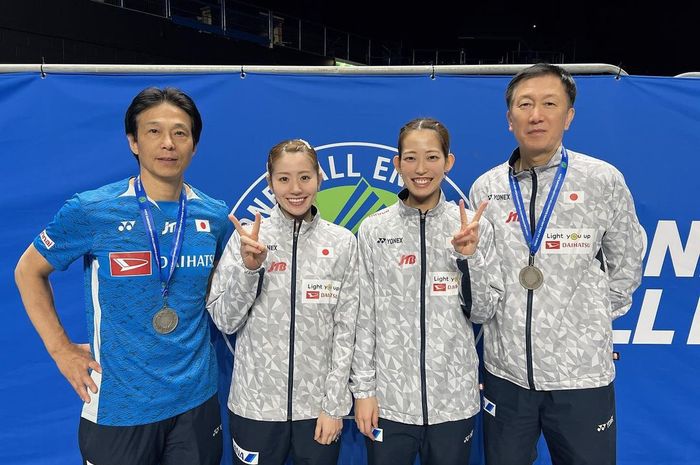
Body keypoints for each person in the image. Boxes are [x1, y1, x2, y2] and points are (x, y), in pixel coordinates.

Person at [14, 87, 228, 465]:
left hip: (196, 401)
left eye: (180, 133)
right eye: (153, 131)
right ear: (133, 142)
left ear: (194, 145)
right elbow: (29, 270)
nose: (168, 144)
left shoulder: (213, 215)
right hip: (118, 406)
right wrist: (60, 349)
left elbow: (221, 294)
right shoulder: (92, 210)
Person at [469, 63, 645, 465]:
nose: (536, 115)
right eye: (525, 104)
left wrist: (590, 319)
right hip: (506, 374)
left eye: (549, 104)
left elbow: (627, 262)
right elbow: (484, 278)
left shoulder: (602, 180)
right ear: (509, 118)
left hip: (581, 376)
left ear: (568, 116)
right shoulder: (488, 188)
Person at [351, 117, 502, 465]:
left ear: (448, 162)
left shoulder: (472, 229)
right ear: (397, 164)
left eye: (432, 157)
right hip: (388, 403)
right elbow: (363, 318)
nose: (421, 168)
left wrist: (470, 259)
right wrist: (365, 392)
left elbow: (483, 312)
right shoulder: (374, 229)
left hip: (454, 402)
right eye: (411, 158)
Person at [207, 139, 359, 465]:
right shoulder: (247, 238)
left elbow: (347, 330)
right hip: (255, 408)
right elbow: (225, 320)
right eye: (284, 179)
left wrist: (334, 405)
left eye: (305, 177)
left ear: (320, 177)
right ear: (270, 182)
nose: (295, 189)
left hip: (317, 411)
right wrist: (250, 270)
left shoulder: (342, 242)